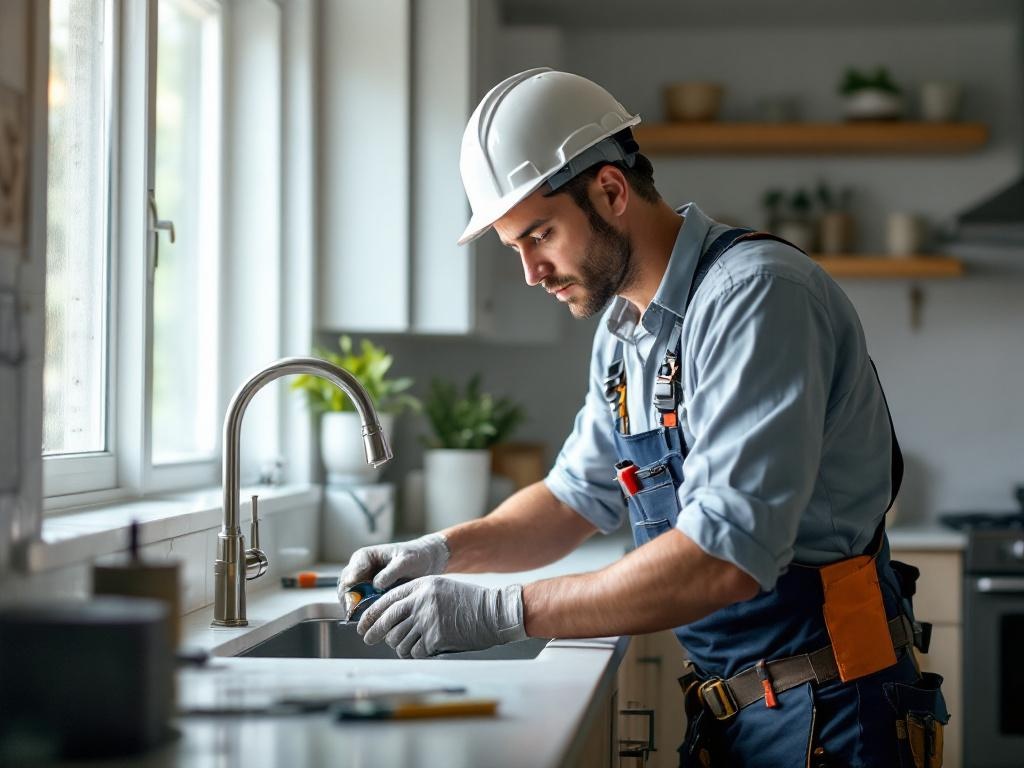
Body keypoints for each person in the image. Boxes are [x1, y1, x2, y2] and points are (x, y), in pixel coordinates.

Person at [340, 69, 948, 766]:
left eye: (540, 236)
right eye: (516, 249)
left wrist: (499, 611)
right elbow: (573, 499)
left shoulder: (756, 296)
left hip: (837, 713)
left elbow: (724, 559)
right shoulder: (625, 332)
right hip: (741, 710)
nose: (531, 273)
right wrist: (440, 550)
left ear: (610, 190)